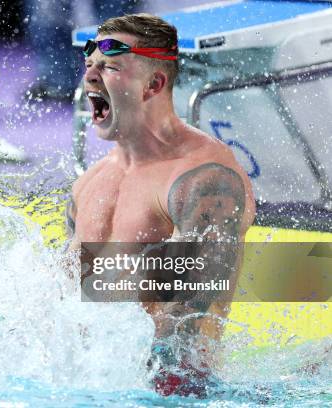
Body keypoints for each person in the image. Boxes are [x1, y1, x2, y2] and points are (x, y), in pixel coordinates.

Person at [65, 13, 256, 397]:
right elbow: (66, 302)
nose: (89, 77)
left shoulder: (203, 181)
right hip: (94, 385)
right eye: (89, 65)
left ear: (153, 84)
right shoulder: (89, 184)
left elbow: (186, 330)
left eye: (110, 66)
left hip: (172, 394)